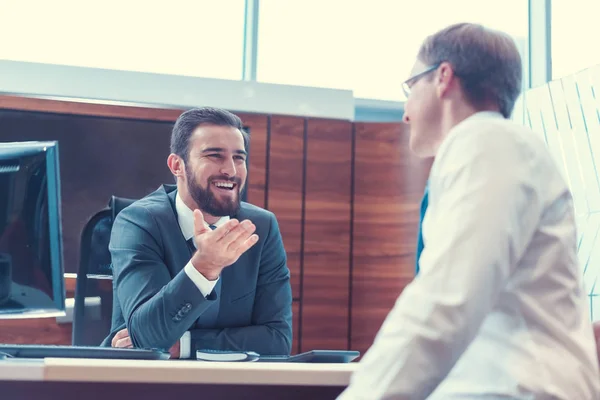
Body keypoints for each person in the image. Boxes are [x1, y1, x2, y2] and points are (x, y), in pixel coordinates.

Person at [338, 23, 600, 399]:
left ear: (444, 77)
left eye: (411, 87)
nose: (405, 113)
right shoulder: (491, 149)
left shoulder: (487, 142)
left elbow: (444, 303)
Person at [101, 107, 293, 359]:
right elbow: (147, 339)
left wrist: (186, 345)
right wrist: (204, 268)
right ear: (177, 165)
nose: (231, 171)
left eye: (238, 158)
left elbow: (277, 341)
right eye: (215, 156)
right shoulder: (138, 222)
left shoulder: (262, 226)